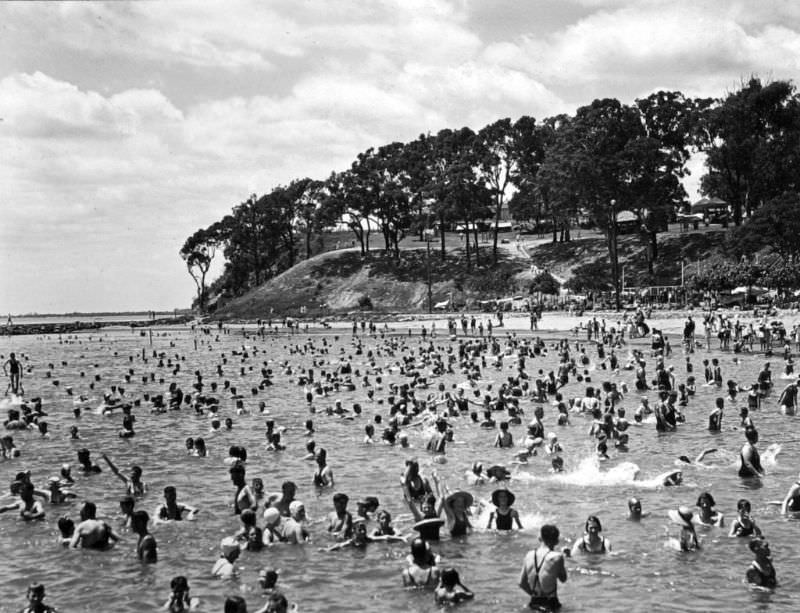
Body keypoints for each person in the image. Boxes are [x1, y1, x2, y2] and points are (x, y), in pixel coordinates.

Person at [519, 524, 567, 611]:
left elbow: (521, 583)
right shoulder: (557, 557)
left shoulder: (529, 555)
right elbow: (563, 579)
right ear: (556, 541)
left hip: (534, 602)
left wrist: (532, 594)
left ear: (540, 538)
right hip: (551, 603)